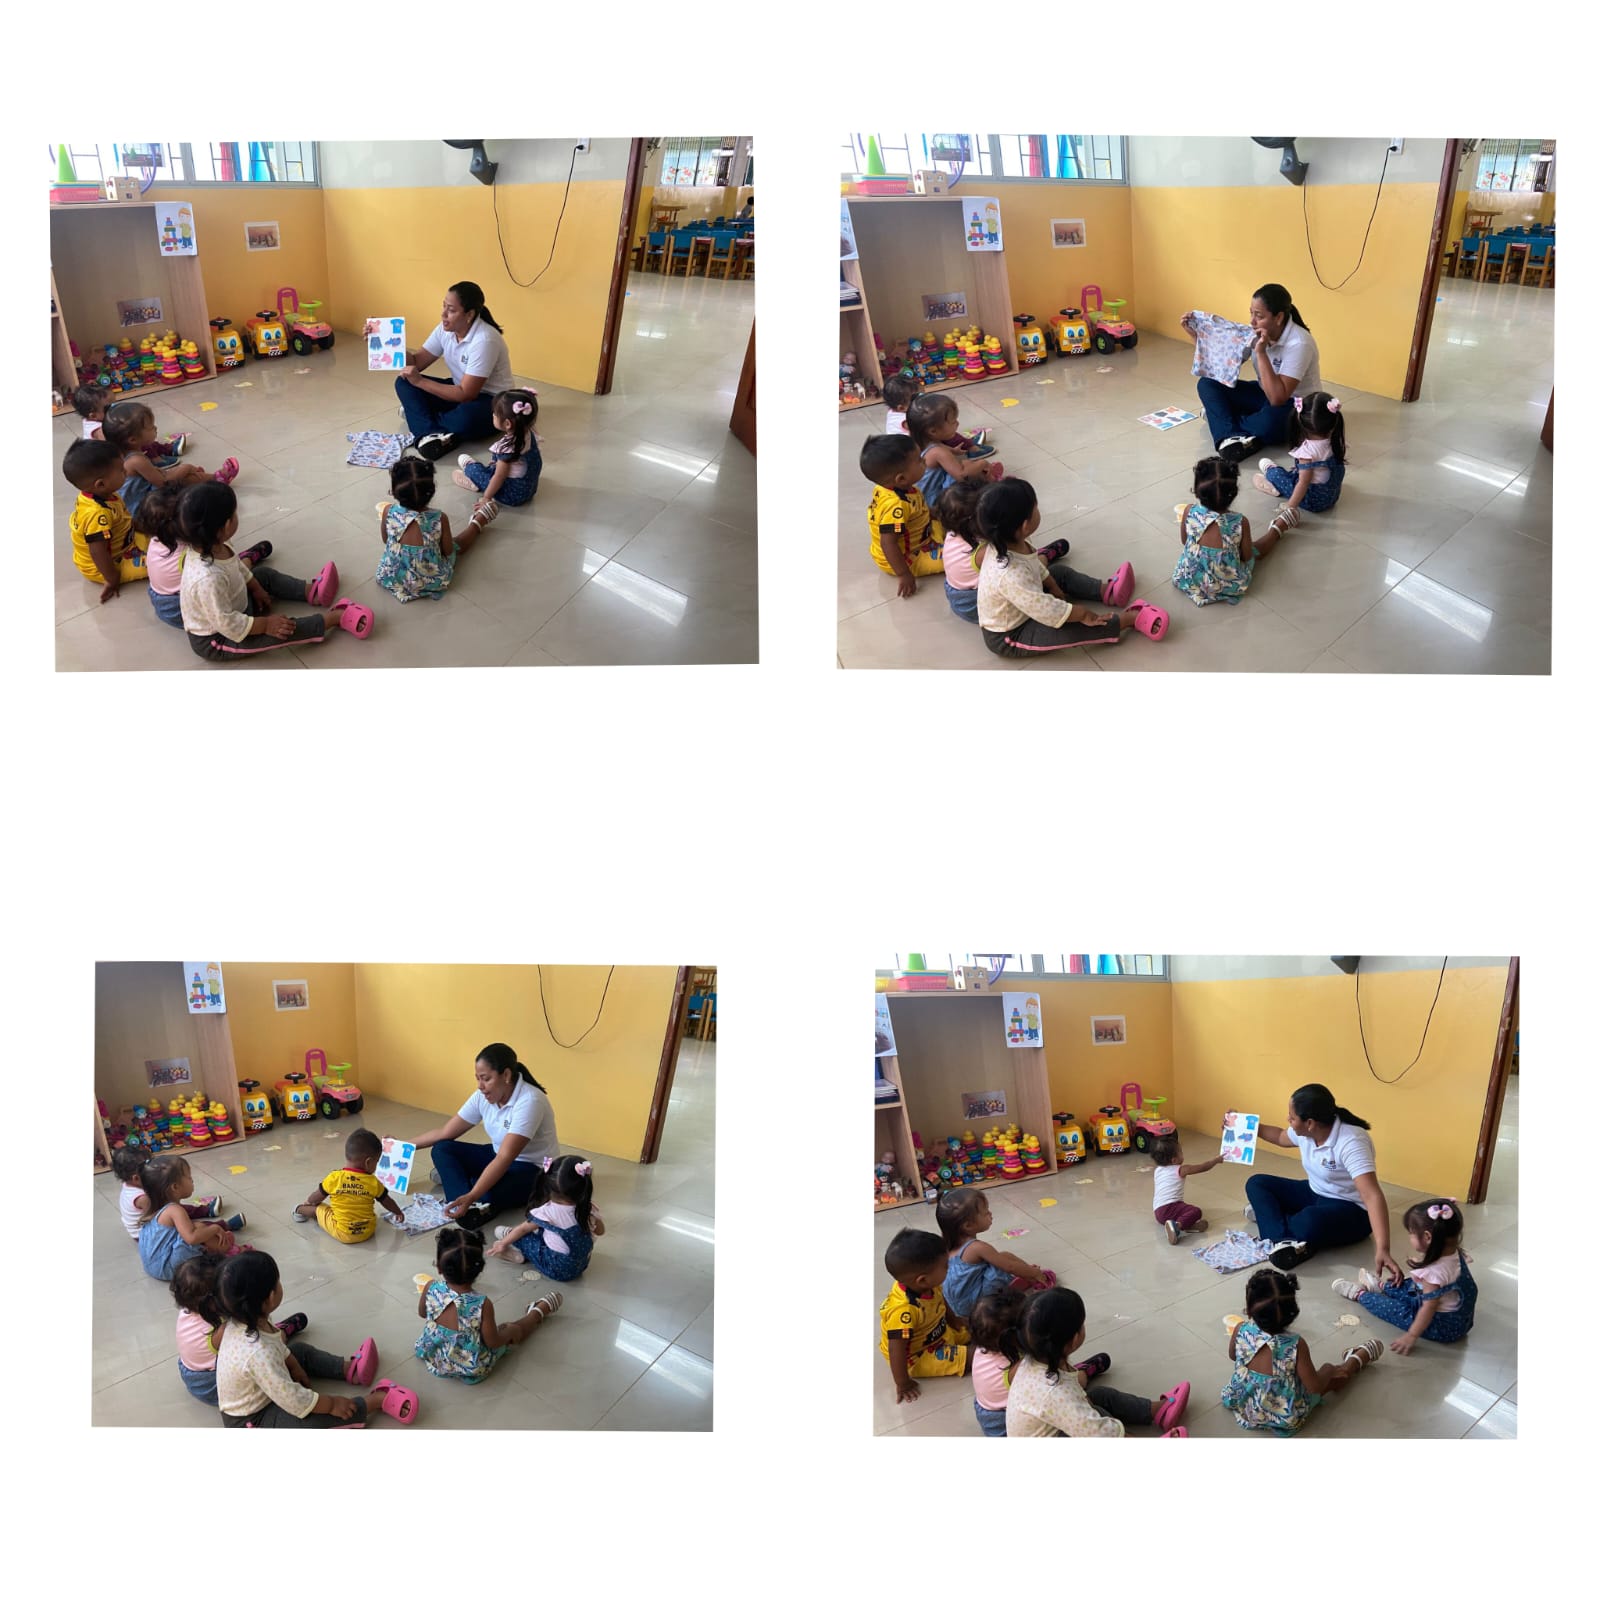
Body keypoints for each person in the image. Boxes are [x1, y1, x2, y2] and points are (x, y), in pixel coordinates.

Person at [177, 482, 373, 659]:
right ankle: (333, 618)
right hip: (218, 638)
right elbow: (227, 623)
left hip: (235, 604)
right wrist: (265, 625)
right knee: (282, 630)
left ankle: (311, 591)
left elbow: (236, 566)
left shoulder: (216, 542)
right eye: (236, 513)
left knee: (262, 575)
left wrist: (255, 587)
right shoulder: (207, 578)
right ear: (227, 525)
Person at [215, 1251, 411, 1427]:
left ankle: (349, 1369)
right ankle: (373, 1402)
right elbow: (293, 1400)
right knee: (308, 1418)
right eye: (278, 1281)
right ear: (270, 1297)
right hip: (253, 1419)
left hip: (265, 1382)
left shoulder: (247, 1318)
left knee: (298, 1351)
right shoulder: (258, 1352)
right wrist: (331, 1404)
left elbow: (275, 1345)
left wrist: (294, 1366)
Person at [975, 476, 1165, 658]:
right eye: (1036, 507)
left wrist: (1052, 584)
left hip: (1028, 598)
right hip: (1011, 634)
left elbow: (1033, 565)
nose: (1038, 510)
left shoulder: (1010, 540)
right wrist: (1082, 613)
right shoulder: (1010, 575)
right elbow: (1048, 611)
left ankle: (1106, 591)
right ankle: (1129, 619)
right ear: (1025, 525)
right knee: (1073, 628)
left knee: (1058, 573)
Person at [1240, 1083, 1402, 1281]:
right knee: (1257, 1183)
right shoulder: (1307, 1132)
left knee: (1309, 1221)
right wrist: (1247, 1125)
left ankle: (1274, 1223)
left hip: (1351, 1209)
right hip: (1315, 1192)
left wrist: (1383, 1248)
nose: (1288, 1120)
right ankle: (1285, 1236)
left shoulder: (1351, 1142)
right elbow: (1281, 1136)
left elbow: (1371, 1195)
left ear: (1310, 1123)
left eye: (1292, 1117)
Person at [411, 1042, 562, 1230]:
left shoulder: (530, 1100)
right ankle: (468, 1203)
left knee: (484, 1189)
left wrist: (473, 1194)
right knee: (442, 1149)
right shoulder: (483, 1096)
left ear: (506, 1075)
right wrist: (400, 1145)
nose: (480, 1086)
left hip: (533, 1168)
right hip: (496, 1154)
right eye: (478, 1079)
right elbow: (445, 1132)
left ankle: (468, 1194)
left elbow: (506, 1157)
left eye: (486, 1079)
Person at [1005, 1287, 1189, 1437]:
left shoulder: (1035, 1360)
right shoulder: (1054, 1393)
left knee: (1100, 1396)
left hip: (1054, 1422)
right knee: (1098, 1420)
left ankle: (1155, 1411)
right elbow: (1099, 1434)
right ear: (1074, 1339)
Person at [1220, 1267, 1381, 1434]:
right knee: (1332, 1376)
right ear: (1291, 1314)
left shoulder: (1241, 1328)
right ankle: (1355, 1360)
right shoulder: (1294, 1345)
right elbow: (1314, 1387)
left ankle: (1354, 1359)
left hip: (1243, 1401)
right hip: (1282, 1415)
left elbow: (1233, 1356)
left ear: (1249, 1308)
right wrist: (1328, 1370)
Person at [1182, 282, 1323, 460]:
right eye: (1251, 313)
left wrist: (1261, 352)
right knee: (1207, 384)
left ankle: (1221, 420)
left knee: (1269, 423)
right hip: (1264, 393)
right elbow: (1219, 368)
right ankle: (1230, 436)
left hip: (1297, 405)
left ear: (1279, 317)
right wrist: (1197, 337)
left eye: (1259, 316)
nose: (1252, 322)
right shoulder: (1254, 332)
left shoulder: (1300, 343)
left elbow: (1278, 398)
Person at [416, 1226, 563, 1383]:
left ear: (439, 1267)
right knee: (512, 1328)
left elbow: (422, 1313)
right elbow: (493, 1342)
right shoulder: (481, 1304)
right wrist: (509, 1332)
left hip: (434, 1353)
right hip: (469, 1366)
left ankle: (536, 1312)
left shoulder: (431, 1286)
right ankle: (537, 1313)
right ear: (479, 1270)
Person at [1333, 1198, 1477, 1353]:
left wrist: (1411, 1335)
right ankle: (1382, 1287)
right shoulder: (1454, 1252)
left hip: (1443, 1327)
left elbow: (1428, 1308)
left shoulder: (1433, 1275)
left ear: (1428, 1237)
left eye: (1411, 1233)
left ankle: (1360, 1295)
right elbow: (1443, 1276)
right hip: (1462, 1319)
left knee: (1395, 1310)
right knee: (1410, 1285)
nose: (1409, 1237)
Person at [395, 280, 517, 459]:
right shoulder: (445, 329)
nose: (443, 314)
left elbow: (466, 394)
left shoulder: (485, 340)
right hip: (458, 390)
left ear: (469, 315)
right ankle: (430, 433)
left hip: (492, 400)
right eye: (444, 306)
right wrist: (385, 342)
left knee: (466, 418)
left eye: (451, 310)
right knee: (403, 382)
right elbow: (416, 362)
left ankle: (421, 420)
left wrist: (420, 382)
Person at [172, 1255, 308, 1407]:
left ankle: (275, 1330)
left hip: (188, 1369)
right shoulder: (220, 1330)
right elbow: (251, 1346)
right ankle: (281, 1333)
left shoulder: (189, 1309)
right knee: (266, 1344)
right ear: (214, 1299)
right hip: (209, 1383)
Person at [135, 483, 271, 628]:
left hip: (160, 599)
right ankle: (247, 559)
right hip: (178, 608)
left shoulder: (159, 539)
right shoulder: (194, 555)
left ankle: (241, 560)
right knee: (230, 571)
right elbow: (221, 612)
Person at [376, 452, 496, 603]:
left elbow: (385, 540)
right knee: (457, 544)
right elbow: (448, 551)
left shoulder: (388, 511)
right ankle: (478, 522)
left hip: (392, 576)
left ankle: (477, 521)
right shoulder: (439, 518)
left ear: (394, 492)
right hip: (430, 580)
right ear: (431, 492)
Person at [1170, 456, 1290, 607]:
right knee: (1256, 548)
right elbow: (1247, 557)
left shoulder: (1189, 511)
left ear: (1197, 491)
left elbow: (1184, 541)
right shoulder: (1240, 522)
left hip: (1188, 578)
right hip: (1226, 585)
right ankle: (1278, 527)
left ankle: (1278, 526)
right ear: (1234, 493)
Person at [102, 400, 235, 524]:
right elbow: (163, 483)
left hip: (142, 498)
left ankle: (212, 478)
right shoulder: (136, 460)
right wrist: (186, 468)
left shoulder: (124, 454)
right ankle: (216, 478)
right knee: (182, 480)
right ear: (132, 440)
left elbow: (153, 475)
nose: (156, 429)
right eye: (151, 427)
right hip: (143, 511)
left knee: (177, 474)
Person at [879, 1228, 970, 1403]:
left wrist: (955, 1321)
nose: (949, 1267)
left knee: (978, 1326)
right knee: (972, 1356)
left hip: (938, 1332)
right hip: (918, 1356)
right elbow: (896, 1348)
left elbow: (941, 1301)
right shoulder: (903, 1311)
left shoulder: (927, 1284)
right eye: (945, 1266)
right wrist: (903, 1383)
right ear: (922, 1280)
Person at [936, 1188, 1057, 1319]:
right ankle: (1035, 1277)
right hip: (976, 1304)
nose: (990, 1213)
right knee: (1005, 1258)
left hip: (957, 1306)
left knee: (999, 1259)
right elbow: (1009, 1266)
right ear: (968, 1225)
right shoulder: (977, 1247)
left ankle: (1027, 1273)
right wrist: (1033, 1272)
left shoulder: (945, 1246)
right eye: (985, 1212)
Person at [486, 1153, 605, 1280]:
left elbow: (523, 1229)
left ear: (547, 1186)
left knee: (517, 1233)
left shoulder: (546, 1212)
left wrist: (503, 1243)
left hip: (555, 1269)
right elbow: (600, 1231)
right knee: (545, 1232)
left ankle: (512, 1247)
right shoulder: (588, 1208)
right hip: (580, 1266)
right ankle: (521, 1253)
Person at [859, 433, 944, 599]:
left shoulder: (894, 487)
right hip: (908, 557)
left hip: (920, 531)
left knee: (948, 520)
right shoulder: (896, 507)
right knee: (957, 558)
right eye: (919, 460)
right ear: (902, 478)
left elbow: (919, 508)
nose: (925, 461)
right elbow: (888, 542)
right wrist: (904, 574)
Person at [62, 439, 148, 602]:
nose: (126, 472)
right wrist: (111, 578)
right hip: (107, 564)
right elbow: (97, 551)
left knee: (158, 533)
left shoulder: (104, 494)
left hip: (124, 540)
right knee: (160, 564)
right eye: (121, 470)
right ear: (101, 484)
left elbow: (123, 516)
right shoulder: (97, 514)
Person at [136, 1153, 245, 1281]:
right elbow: (192, 1238)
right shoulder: (175, 1210)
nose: (192, 1181)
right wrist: (215, 1228)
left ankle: (218, 1245)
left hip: (152, 1266)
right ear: (175, 1187)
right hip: (168, 1268)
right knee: (199, 1231)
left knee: (196, 1227)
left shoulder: (156, 1206)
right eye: (189, 1177)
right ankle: (229, 1250)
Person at [292, 1127, 405, 1242]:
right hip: (367, 1231)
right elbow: (387, 1201)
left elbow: (317, 1196)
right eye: (376, 1162)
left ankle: (298, 1209)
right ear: (368, 1162)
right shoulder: (373, 1182)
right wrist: (398, 1212)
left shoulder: (335, 1178)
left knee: (319, 1208)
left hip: (342, 1233)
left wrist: (309, 1202)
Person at [1253, 390, 1348, 516]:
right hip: (1332, 497)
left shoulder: (1307, 452)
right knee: (1299, 473)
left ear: (1300, 421)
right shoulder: (1336, 442)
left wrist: (1290, 506)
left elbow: (1303, 483)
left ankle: (1271, 475)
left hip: (1312, 502)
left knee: (1271, 470)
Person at [906, 392, 1003, 511]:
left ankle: (987, 474)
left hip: (925, 496)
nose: (957, 424)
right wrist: (982, 463)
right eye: (953, 422)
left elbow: (941, 451)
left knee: (965, 463)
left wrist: (953, 451)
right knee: (970, 470)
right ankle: (989, 479)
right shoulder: (938, 452)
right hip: (936, 502)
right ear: (933, 431)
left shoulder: (922, 443)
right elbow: (962, 476)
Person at [454, 388, 542, 510]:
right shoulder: (528, 433)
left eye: (495, 413)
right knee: (495, 467)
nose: (493, 415)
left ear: (507, 424)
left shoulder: (507, 448)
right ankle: (481, 477)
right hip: (529, 489)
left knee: (469, 464)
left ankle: (472, 477)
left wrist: (486, 498)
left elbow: (499, 476)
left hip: (512, 496)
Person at [115, 1145, 225, 1236]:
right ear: (136, 1178)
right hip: (148, 1234)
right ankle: (223, 1225)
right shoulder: (143, 1198)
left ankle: (207, 1210)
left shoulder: (129, 1185)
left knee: (178, 1209)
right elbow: (162, 1219)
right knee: (188, 1223)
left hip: (156, 1217)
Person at [1149, 1130, 1222, 1244]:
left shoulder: (1158, 1170)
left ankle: (1189, 1226)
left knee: (1184, 1208)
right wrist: (1215, 1160)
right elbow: (1202, 1167)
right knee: (1195, 1211)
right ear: (1174, 1160)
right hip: (1169, 1208)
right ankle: (1176, 1227)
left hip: (1158, 1212)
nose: (1183, 1154)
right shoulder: (1180, 1169)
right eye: (1181, 1152)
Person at [881, 371, 920, 437]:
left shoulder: (893, 410)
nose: (919, 400)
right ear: (901, 408)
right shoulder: (904, 420)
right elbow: (920, 425)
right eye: (915, 399)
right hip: (904, 443)